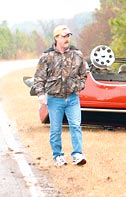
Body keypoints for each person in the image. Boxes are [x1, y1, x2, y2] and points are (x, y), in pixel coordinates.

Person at [33, 25, 87, 167]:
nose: (67, 38)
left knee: (75, 125)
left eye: (68, 35)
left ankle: (77, 155)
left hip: (72, 98)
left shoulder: (77, 54)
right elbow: (39, 77)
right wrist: (40, 94)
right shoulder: (47, 56)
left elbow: (83, 74)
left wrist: (79, 86)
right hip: (54, 99)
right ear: (56, 37)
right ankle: (58, 156)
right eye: (64, 36)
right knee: (55, 129)